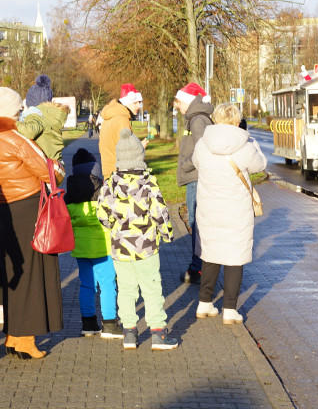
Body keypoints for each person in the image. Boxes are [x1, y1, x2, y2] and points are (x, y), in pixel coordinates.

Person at [0, 87, 64, 361]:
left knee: (10, 271)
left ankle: (13, 334)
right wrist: (60, 168)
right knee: (33, 273)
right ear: (13, 109)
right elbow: (47, 169)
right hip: (27, 206)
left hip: (2, 207)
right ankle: (26, 339)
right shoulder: (13, 136)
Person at [96, 128, 177, 351]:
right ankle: (158, 333)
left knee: (126, 290)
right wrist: (167, 234)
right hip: (146, 247)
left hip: (121, 248)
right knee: (152, 289)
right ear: (140, 156)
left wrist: (113, 227)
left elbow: (102, 214)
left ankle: (129, 333)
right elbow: (160, 213)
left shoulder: (110, 184)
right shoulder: (149, 183)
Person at [191, 103, 268, 325]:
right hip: (236, 211)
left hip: (209, 208)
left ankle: (204, 303)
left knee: (210, 253)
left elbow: (197, 164)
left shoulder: (202, 145)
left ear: (215, 119)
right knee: (235, 257)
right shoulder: (245, 145)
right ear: (237, 120)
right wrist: (253, 141)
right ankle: (230, 310)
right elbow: (260, 165)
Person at [64, 148, 122, 339]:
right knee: (107, 285)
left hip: (81, 249)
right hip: (103, 247)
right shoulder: (104, 192)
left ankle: (88, 323)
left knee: (86, 285)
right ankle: (110, 324)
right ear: (95, 169)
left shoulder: (70, 194)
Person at [174, 82, 213, 285]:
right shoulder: (196, 118)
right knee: (197, 224)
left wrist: (186, 166)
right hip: (197, 177)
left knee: (196, 224)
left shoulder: (197, 120)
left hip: (196, 178)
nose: (177, 106)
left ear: (189, 101)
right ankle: (200, 266)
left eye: (179, 102)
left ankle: (198, 268)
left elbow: (202, 151)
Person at [97, 83, 145, 179]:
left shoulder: (109, 117)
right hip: (121, 174)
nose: (138, 106)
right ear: (126, 102)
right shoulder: (122, 120)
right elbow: (127, 153)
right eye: (135, 103)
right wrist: (141, 146)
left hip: (108, 171)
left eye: (139, 103)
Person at [17, 74, 69, 162]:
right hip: (54, 163)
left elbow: (30, 131)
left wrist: (12, 123)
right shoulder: (50, 116)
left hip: (43, 164)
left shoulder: (36, 115)